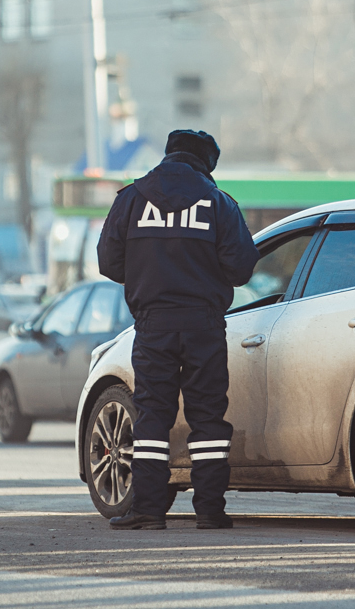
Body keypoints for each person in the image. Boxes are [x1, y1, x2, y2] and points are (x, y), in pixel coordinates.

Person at [97, 129, 259, 530]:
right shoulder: (219, 204)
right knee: (207, 419)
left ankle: (149, 509)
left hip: (153, 324)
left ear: (170, 155)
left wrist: (146, 272)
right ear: (207, 163)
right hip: (203, 324)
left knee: (152, 415)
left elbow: (108, 262)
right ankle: (209, 511)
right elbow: (241, 268)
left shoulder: (132, 199)